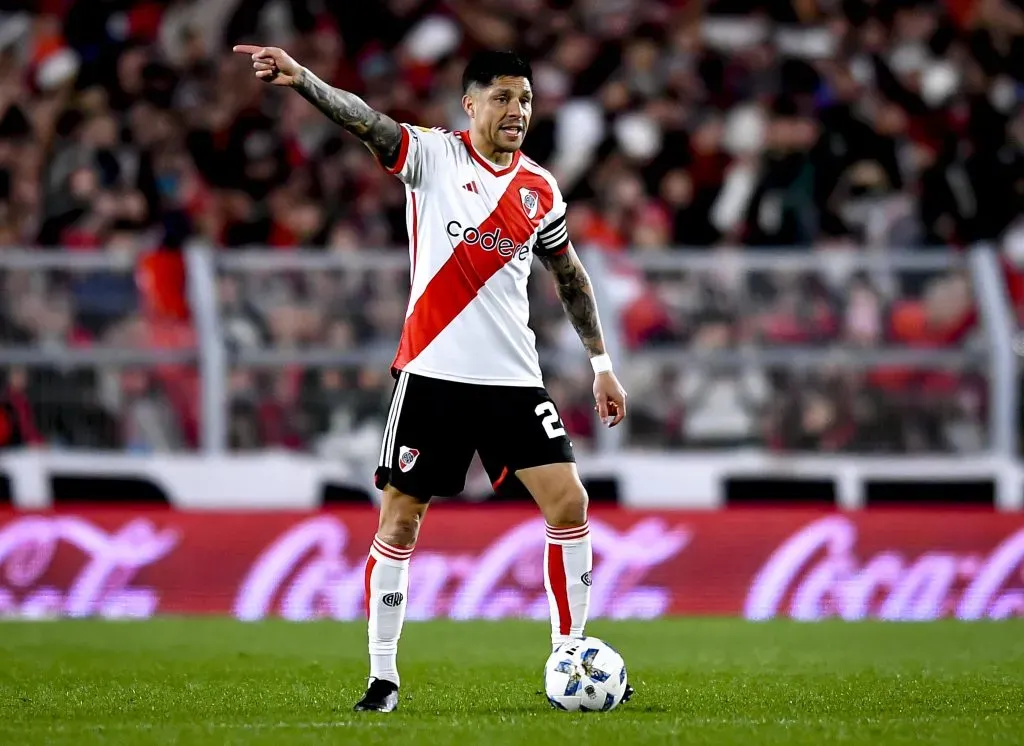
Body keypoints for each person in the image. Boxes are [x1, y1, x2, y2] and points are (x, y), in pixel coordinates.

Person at [235, 44, 630, 713]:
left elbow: (568, 276)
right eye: (503, 97)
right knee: (401, 520)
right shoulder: (432, 156)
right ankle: (383, 677)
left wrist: (601, 364)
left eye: (526, 99)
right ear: (470, 103)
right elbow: (365, 120)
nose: (517, 111)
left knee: (570, 505)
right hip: (434, 376)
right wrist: (302, 79)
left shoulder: (540, 190)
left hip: (514, 382)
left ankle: (568, 652)